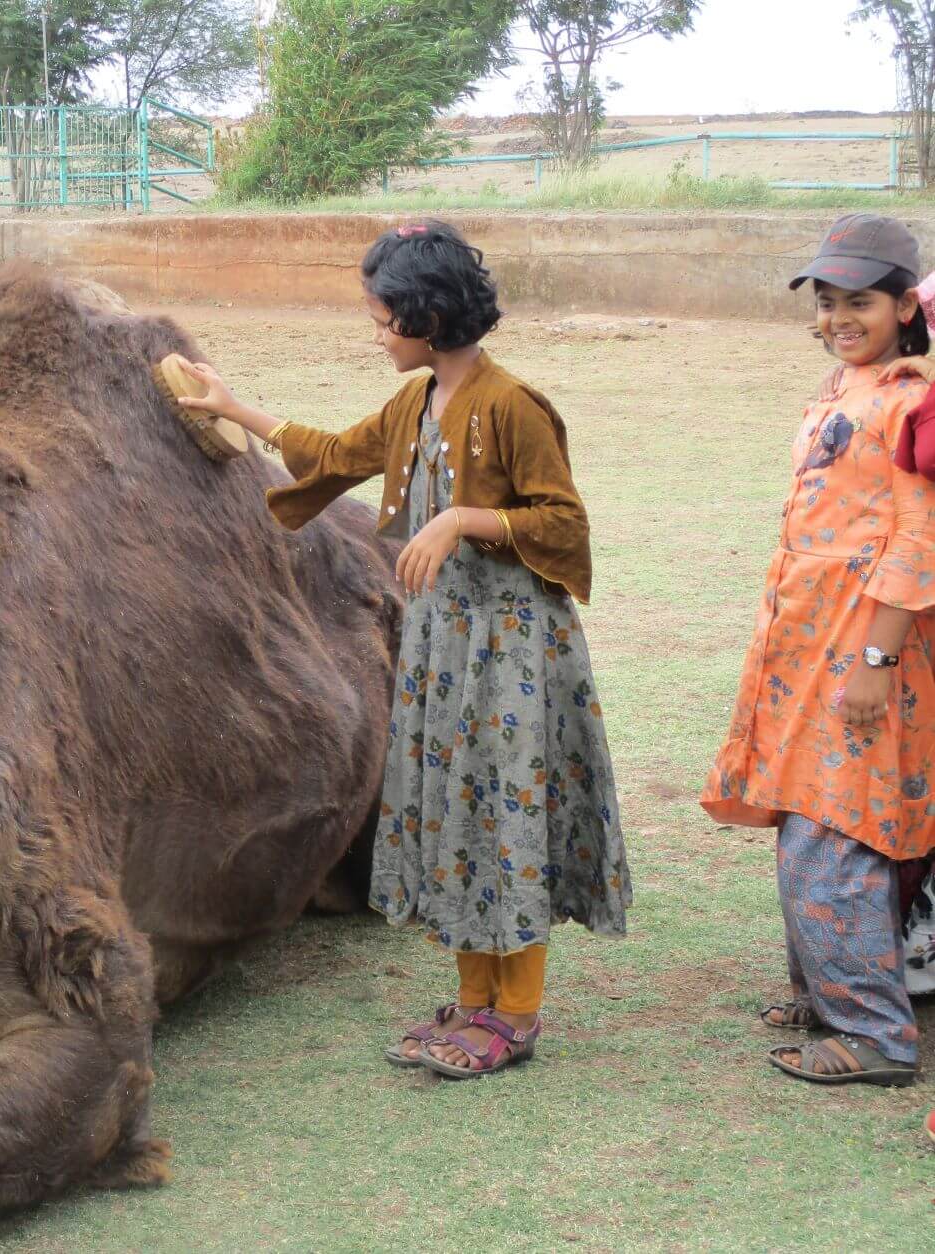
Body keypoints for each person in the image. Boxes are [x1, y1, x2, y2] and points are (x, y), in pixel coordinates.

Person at [178, 221, 630, 1079]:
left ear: (425, 317)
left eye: (384, 319)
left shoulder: (512, 406)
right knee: (455, 816)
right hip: (442, 646)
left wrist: (462, 519)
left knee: (505, 819)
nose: (377, 333)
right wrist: (234, 408)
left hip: (510, 652)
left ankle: (518, 1014)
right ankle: (472, 1002)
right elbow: (338, 453)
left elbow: (562, 521)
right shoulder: (415, 404)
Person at [701, 213, 935, 1087]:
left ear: (905, 304)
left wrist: (876, 662)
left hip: (864, 645)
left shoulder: (911, 399)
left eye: (861, 302)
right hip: (806, 639)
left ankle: (873, 1034)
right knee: (817, 815)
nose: (841, 317)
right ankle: (833, 994)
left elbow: (919, 538)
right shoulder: (847, 386)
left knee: (834, 831)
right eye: (830, 301)